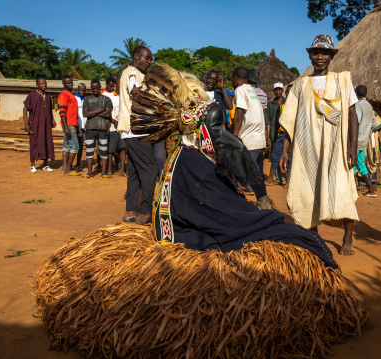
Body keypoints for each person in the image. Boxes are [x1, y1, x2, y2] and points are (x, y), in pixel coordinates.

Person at [129, 62, 337, 268]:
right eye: (217, 126)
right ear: (198, 128)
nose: (224, 134)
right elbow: (233, 220)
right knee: (299, 237)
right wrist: (270, 216)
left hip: (189, 231)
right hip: (192, 240)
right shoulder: (197, 167)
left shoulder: (184, 153)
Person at [279, 34, 359, 256]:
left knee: (342, 189)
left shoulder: (342, 81)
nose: (320, 56)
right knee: (306, 190)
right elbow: (290, 121)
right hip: (307, 150)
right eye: (316, 52)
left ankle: (347, 237)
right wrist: (285, 150)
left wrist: (352, 148)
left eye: (325, 52)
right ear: (310, 55)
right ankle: (314, 237)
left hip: (337, 148)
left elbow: (353, 116)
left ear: (331, 56)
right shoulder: (300, 86)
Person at [117, 46, 156, 225]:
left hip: (130, 131)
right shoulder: (132, 73)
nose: (149, 62)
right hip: (138, 130)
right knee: (150, 169)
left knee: (134, 171)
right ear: (136, 57)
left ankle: (131, 211)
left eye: (150, 59)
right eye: (146, 58)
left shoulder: (130, 72)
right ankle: (145, 213)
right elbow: (136, 92)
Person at [231, 66, 272, 207]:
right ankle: (264, 202)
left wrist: (234, 137)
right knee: (256, 175)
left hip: (250, 140)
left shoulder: (240, 90)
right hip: (258, 139)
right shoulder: (252, 90)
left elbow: (240, 112)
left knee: (239, 172)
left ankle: (234, 204)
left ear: (236, 78)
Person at [23, 77, 56, 172]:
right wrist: (26, 123)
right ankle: (32, 165)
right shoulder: (32, 95)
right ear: (37, 85)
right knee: (34, 143)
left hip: (46, 124)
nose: (44, 85)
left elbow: (50, 110)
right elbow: (25, 109)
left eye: (45, 83)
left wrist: (52, 120)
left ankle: (45, 165)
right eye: (41, 83)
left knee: (47, 142)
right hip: (35, 124)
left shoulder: (49, 96)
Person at [83, 79, 112, 179]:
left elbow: (108, 114)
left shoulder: (106, 99)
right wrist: (100, 110)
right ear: (91, 88)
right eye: (93, 88)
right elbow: (84, 113)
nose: (95, 90)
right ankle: (90, 172)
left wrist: (93, 112)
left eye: (97, 88)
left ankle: (103, 173)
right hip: (90, 128)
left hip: (103, 128)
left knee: (104, 151)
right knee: (89, 151)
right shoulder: (87, 99)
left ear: (100, 87)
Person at [265, 84, 293, 186]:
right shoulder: (282, 104)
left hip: (289, 133)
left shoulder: (295, 104)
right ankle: (274, 178)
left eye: (289, 92)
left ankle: (286, 180)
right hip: (281, 133)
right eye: (287, 92)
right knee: (276, 154)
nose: (288, 93)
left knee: (287, 156)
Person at [354, 85, 377, 197]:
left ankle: (353, 191)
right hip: (364, 140)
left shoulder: (358, 105)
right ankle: (371, 190)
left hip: (356, 140)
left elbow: (355, 121)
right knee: (360, 165)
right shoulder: (369, 106)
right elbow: (374, 123)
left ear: (356, 93)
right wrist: (366, 129)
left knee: (352, 164)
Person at [58, 75, 80, 175]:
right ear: (63, 84)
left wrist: (77, 126)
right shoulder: (64, 94)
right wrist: (66, 127)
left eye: (71, 82)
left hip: (72, 124)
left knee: (66, 146)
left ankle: (64, 168)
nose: (70, 84)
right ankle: (68, 169)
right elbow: (62, 112)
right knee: (75, 147)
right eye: (67, 83)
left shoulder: (71, 94)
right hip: (69, 124)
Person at [75, 83, 87, 172]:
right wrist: (77, 127)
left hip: (84, 128)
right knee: (72, 147)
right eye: (80, 90)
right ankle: (68, 165)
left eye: (83, 90)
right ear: (77, 90)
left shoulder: (86, 99)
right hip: (75, 126)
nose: (82, 92)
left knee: (80, 147)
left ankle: (78, 164)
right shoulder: (74, 98)